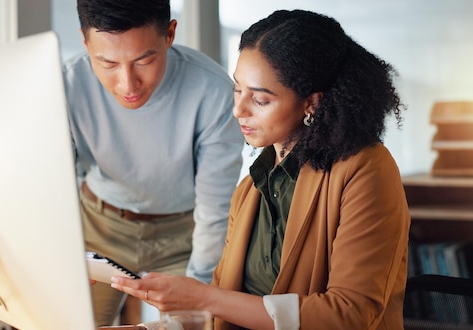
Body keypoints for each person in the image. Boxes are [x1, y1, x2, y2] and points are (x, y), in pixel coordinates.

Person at [111, 9, 411, 330]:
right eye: (238, 90)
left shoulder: (366, 170)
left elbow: (348, 315)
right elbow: (224, 310)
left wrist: (203, 297)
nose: (238, 109)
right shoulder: (251, 188)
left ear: (311, 102)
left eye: (260, 100)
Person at [62, 0, 244, 326]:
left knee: (200, 325)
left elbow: (214, 209)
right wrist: (61, 249)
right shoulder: (66, 86)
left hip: (186, 235)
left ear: (170, 34)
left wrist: (200, 290)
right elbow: (52, 182)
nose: (128, 85)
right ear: (85, 41)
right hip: (99, 226)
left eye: (144, 60)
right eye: (107, 63)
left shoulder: (214, 92)